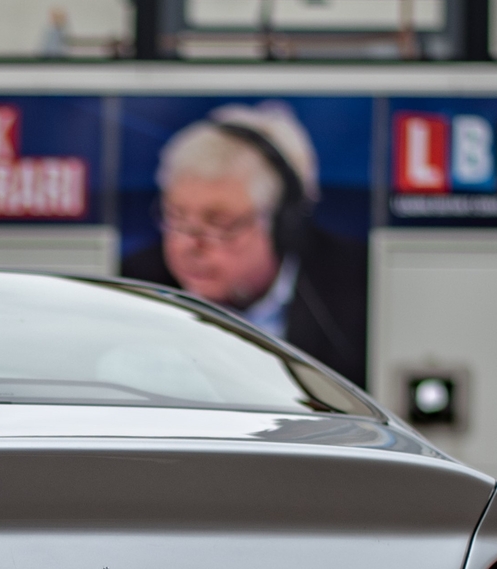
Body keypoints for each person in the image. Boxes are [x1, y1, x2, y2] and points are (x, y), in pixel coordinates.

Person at [120, 102, 368, 385]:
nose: (187, 245)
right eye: (176, 217)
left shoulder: (356, 291)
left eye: (218, 223)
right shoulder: (134, 290)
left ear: (280, 225)